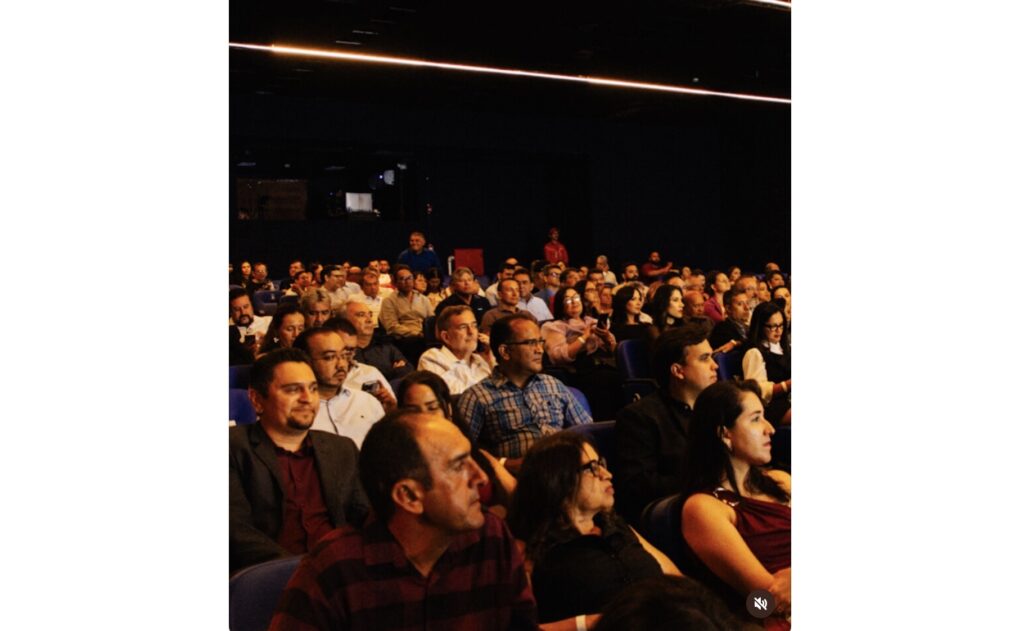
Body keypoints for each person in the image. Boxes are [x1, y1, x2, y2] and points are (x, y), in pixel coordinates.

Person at [269, 413, 538, 631]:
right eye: (458, 466)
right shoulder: (335, 568)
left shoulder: (490, 536)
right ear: (408, 496)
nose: (481, 478)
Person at [508, 432, 681, 625]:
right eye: (592, 468)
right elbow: (523, 627)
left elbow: (675, 578)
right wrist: (586, 624)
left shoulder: (616, 526)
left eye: (601, 464)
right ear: (558, 479)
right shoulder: (530, 552)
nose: (607, 474)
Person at [230, 349, 369, 575]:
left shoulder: (341, 449)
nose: (307, 399)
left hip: (342, 574)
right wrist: (306, 571)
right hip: (268, 577)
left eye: (313, 389)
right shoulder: (233, 448)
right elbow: (236, 533)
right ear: (256, 399)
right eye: (293, 390)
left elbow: (364, 517)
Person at [679, 380, 791, 628]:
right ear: (725, 434)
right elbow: (764, 603)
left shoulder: (781, 481)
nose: (770, 429)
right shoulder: (703, 508)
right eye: (756, 419)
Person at [458, 313, 592, 470]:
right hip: (518, 478)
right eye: (531, 343)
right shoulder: (477, 396)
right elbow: (461, 453)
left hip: (565, 470)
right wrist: (505, 464)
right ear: (505, 351)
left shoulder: (553, 384)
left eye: (540, 342)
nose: (540, 350)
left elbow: (588, 432)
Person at [615, 323, 718, 523]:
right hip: (681, 514)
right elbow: (639, 486)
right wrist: (705, 480)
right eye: (704, 358)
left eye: (712, 357)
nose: (715, 365)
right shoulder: (640, 417)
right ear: (678, 371)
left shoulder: (718, 408)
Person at [397, 371, 517, 514]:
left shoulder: (477, 455)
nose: (426, 418)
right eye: (414, 411)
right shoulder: (406, 469)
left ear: (448, 409)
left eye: (432, 408)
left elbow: (516, 498)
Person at [292, 328, 385, 447]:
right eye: (329, 357)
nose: (341, 364)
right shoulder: (296, 411)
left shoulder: (367, 402)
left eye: (344, 355)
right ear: (305, 362)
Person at [540, 286, 619, 419]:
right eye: (568, 300)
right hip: (578, 371)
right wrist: (584, 336)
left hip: (603, 364)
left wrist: (606, 337)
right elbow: (559, 356)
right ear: (560, 305)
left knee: (620, 377)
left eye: (576, 298)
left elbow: (613, 350)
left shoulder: (592, 321)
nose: (574, 302)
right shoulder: (554, 326)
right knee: (605, 380)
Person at [417, 305, 496, 395]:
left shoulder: (482, 360)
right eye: (463, 327)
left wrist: (491, 359)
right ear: (446, 337)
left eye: (474, 326)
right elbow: (452, 396)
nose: (471, 332)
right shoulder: (432, 358)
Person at [741, 302, 791, 424]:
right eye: (773, 326)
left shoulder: (784, 347)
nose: (778, 331)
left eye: (781, 325)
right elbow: (757, 390)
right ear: (760, 327)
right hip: (772, 407)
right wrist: (787, 385)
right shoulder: (754, 353)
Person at [343, 298, 412, 382]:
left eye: (370, 315)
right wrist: (392, 373)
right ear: (344, 321)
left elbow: (408, 371)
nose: (369, 320)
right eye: (361, 315)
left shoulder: (385, 346)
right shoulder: (342, 351)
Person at [379, 264, 435, 363]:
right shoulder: (389, 301)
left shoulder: (423, 299)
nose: (407, 282)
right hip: (405, 338)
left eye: (409, 278)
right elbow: (392, 327)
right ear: (395, 282)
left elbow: (431, 320)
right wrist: (416, 334)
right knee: (417, 343)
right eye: (402, 279)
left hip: (424, 334)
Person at [230, 288, 272, 361]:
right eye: (237, 309)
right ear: (230, 311)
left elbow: (279, 340)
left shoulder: (268, 321)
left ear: (252, 306)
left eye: (246, 307)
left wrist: (269, 340)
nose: (243, 312)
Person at [708, 287, 751, 353]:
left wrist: (737, 343)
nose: (747, 308)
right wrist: (737, 343)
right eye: (740, 304)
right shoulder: (721, 330)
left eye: (747, 303)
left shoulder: (747, 327)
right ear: (728, 309)